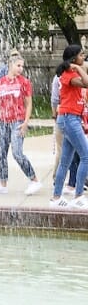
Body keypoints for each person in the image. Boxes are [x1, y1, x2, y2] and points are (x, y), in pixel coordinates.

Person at [0, 55, 41, 195]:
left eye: (22, 66)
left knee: (17, 153)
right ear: (10, 65)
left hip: (17, 121)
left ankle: (34, 180)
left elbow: (29, 104)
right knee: (1, 154)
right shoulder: (0, 83)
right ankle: (3, 185)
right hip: (4, 121)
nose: (21, 69)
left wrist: (25, 122)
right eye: (18, 66)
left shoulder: (24, 82)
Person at [49, 45, 88, 208]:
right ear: (73, 58)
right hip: (68, 119)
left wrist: (78, 68)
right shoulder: (66, 75)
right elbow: (86, 83)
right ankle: (78, 195)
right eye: (81, 55)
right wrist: (79, 68)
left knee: (65, 161)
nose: (84, 56)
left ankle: (56, 198)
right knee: (86, 157)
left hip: (70, 119)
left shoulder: (70, 73)